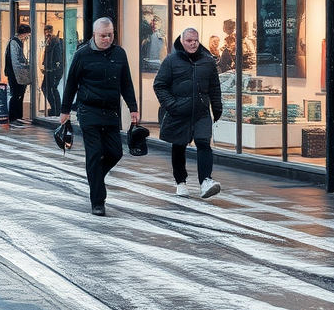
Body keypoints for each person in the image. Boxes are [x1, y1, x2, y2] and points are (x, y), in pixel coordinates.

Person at [59, 17, 138, 216]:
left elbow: (126, 82)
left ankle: (95, 177)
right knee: (94, 155)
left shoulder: (119, 54)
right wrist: (65, 111)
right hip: (88, 111)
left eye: (110, 35)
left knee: (115, 152)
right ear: (94, 35)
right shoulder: (82, 55)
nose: (107, 39)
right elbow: (71, 85)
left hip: (111, 112)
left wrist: (133, 108)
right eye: (103, 36)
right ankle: (98, 202)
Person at [154, 27, 224, 199]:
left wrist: (216, 106)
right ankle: (181, 182)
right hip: (179, 112)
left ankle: (206, 181)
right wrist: (172, 105)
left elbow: (214, 86)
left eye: (196, 40)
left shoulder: (208, 61)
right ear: (182, 41)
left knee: (203, 143)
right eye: (189, 41)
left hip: (201, 112)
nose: (193, 44)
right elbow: (159, 85)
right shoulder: (171, 60)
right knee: (179, 146)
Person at [4, 23, 31, 125]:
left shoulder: (15, 42)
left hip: (15, 73)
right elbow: (15, 60)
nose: (27, 37)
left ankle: (17, 115)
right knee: (17, 94)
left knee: (18, 94)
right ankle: (13, 116)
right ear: (23, 34)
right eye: (27, 34)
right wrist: (24, 68)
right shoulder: (14, 43)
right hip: (16, 73)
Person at [41, 24, 64, 117]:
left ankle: (57, 109)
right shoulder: (50, 41)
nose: (47, 33)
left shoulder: (55, 41)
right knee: (48, 88)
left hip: (53, 70)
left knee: (51, 88)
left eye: (48, 31)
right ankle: (56, 108)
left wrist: (52, 69)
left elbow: (57, 57)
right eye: (45, 31)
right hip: (50, 69)